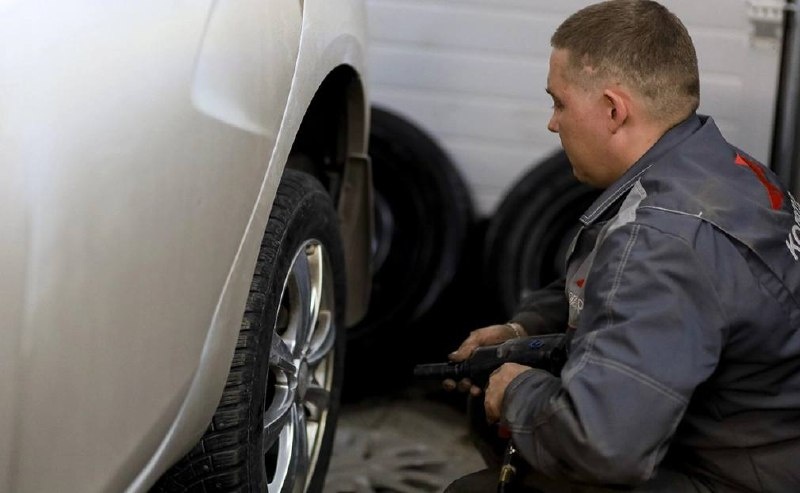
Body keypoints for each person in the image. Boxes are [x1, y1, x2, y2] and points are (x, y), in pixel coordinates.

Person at [444, 1, 800, 491]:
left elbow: (602, 445)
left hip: (736, 475)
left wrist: (516, 390)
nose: (553, 123)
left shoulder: (663, 238)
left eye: (559, 103)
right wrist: (524, 329)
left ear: (613, 109)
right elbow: (625, 285)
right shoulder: (719, 170)